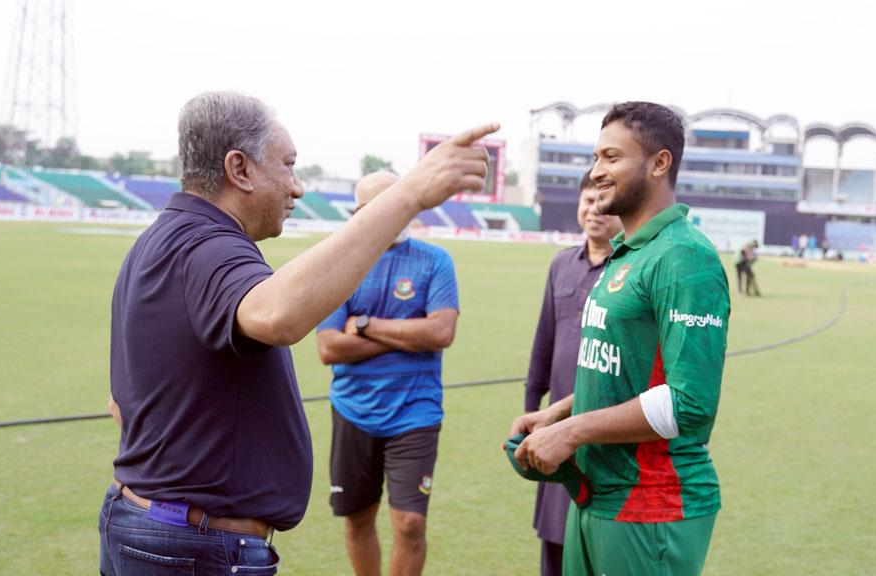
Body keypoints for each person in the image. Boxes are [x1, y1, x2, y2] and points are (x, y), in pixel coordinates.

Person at [100, 91, 497, 575]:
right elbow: (279, 316)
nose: (298, 187)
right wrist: (409, 194)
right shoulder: (211, 248)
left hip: (149, 524)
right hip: (194, 546)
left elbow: (122, 404)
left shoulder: (158, 241)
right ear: (239, 169)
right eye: (287, 165)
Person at [508, 102, 730, 576]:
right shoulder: (628, 253)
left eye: (611, 157)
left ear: (659, 162)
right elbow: (622, 370)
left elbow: (689, 403)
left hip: (652, 504)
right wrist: (559, 412)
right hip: (597, 494)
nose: (596, 172)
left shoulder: (685, 257)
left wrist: (572, 431)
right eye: (595, 158)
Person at [316, 171, 460, 576]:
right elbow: (329, 347)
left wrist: (364, 326)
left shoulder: (435, 260)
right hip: (352, 410)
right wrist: (409, 335)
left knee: (410, 523)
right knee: (358, 518)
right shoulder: (338, 262)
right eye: (371, 208)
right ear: (359, 213)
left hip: (416, 412)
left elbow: (441, 332)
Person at [523, 169, 623, 576]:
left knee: (601, 544)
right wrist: (531, 410)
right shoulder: (561, 264)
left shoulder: (630, 270)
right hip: (555, 428)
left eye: (603, 203)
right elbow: (543, 345)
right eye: (587, 201)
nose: (594, 211)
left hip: (605, 431)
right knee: (555, 540)